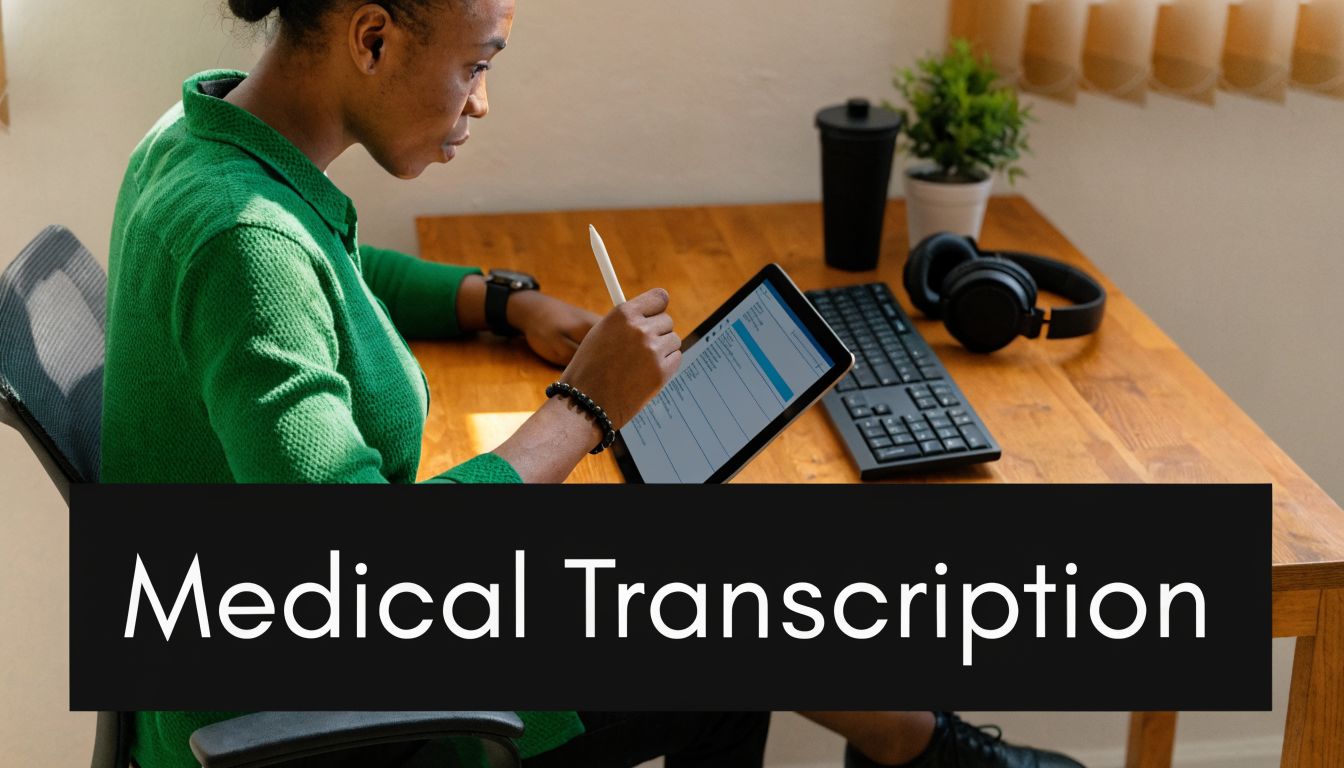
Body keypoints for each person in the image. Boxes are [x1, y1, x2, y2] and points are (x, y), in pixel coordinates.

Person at [101, 0, 1084, 766]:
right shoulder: (245, 242)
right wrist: (584, 407)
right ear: (371, 39)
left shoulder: (198, 147)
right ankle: (916, 740)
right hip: (338, 722)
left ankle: (910, 736)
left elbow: (337, 273)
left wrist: (504, 302)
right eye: (476, 65)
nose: (481, 101)